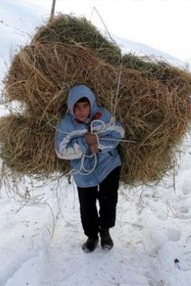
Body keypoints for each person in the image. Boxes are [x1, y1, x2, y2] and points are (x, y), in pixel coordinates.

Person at [54, 84, 125, 253]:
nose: (81, 111)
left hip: (108, 164)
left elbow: (119, 133)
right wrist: (86, 143)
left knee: (109, 200)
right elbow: (61, 151)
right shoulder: (67, 124)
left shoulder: (102, 116)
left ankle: (105, 231)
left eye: (85, 106)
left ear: (91, 104)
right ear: (71, 107)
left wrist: (98, 144)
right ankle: (92, 235)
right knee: (87, 205)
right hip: (83, 169)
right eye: (77, 107)